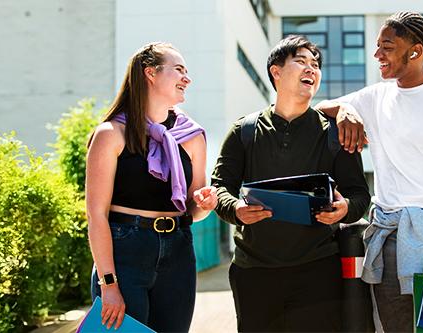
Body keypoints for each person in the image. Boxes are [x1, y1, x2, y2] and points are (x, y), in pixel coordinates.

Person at [315, 11, 423, 332]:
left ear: (416, 51)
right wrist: (347, 109)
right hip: (391, 238)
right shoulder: (374, 97)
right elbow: (318, 108)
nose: (378, 55)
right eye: (377, 46)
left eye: (387, 47)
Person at [210, 35, 371, 332]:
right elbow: (220, 186)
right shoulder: (243, 131)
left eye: (316, 64)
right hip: (253, 271)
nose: (311, 68)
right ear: (276, 71)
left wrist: (344, 208)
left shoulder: (335, 133)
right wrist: (236, 209)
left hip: (319, 271)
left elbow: (360, 194)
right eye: (301, 61)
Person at [85, 42, 217, 332]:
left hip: (179, 251)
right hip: (125, 251)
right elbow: (96, 215)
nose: (187, 78)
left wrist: (205, 205)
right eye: (179, 70)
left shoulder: (192, 136)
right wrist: (108, 284)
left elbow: (193, 211)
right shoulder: (111, 134)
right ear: (151, 74)